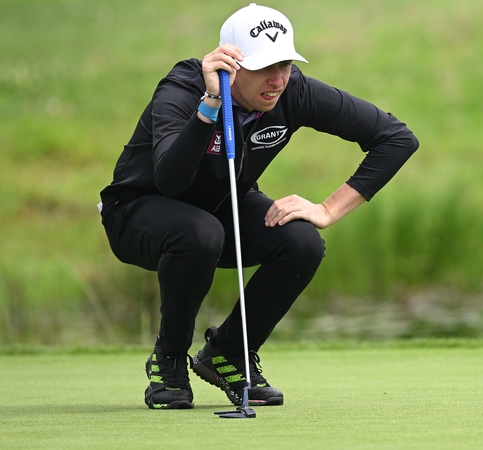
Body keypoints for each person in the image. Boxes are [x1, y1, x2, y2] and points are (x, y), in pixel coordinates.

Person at [98, 4, 418, 410]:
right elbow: (171, 180)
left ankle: (228, 353)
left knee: (302, 241)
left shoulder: (292, 90)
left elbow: (395, 138)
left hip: (221, 207)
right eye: (265, 66)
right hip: (137, 213)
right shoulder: (183, 89)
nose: (278, 79)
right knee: (199, 232)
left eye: (285, 64)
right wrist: (211, 102)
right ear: (231, 62)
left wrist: (328, 209)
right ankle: (169, 360)